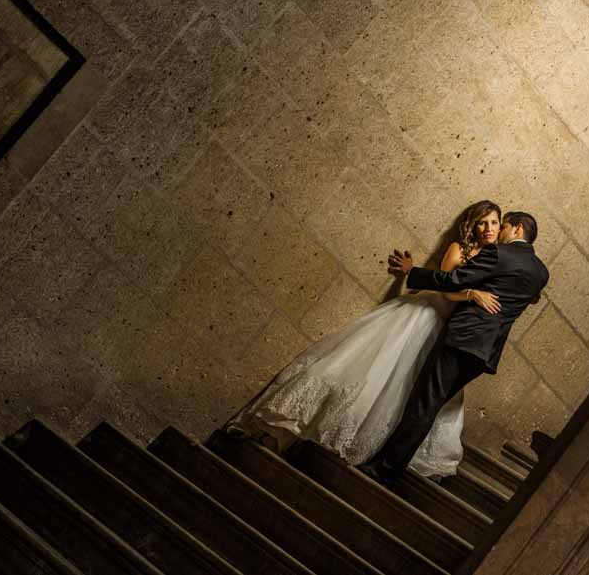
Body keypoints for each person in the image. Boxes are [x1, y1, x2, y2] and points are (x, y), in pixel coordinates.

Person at [228, 201, 505, 478]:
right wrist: (470, 293)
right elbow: (446, 287)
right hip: (427, 315)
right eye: (482, 222)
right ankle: (292, 430)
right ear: (472, 225)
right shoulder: (459, 248)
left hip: (453, 331)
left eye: (494, 222)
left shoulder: (500, 259)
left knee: (414, 390)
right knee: (369, 370)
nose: (488, 228)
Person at [360, 211, 549, 486]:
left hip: (463, 338)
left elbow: (453, 280)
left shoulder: (500, 253)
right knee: (432, 404)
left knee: (424, 403)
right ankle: (389, 467)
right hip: (486, 352)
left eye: (504, 226)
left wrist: (412, 273)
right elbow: (524, 297)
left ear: (518, 229)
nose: (499, 232)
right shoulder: (542, 272)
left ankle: (385, 470)